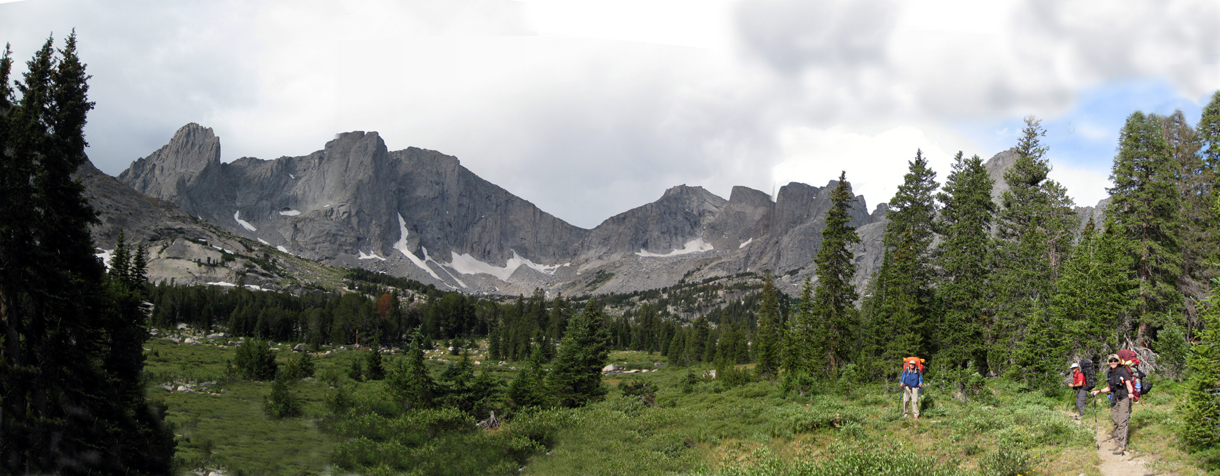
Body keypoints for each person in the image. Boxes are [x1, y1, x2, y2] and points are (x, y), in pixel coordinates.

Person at [1092, 354, 1134, 455]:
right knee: (1115, 419)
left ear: (1118, 361)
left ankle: (1121, 445)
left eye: (1115, 361)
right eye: (1111, 361)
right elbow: (1109, 388)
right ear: (1109, 362)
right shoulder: (1109, 373)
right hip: (1114, 398)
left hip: (1124, 397)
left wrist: (1131, 393)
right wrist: (1098, 391)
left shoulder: (1123, 371)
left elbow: (1128, 384)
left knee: (1122, 421)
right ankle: (1117, 442)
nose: (1113, 362)